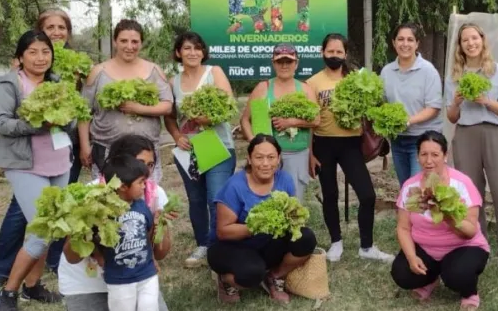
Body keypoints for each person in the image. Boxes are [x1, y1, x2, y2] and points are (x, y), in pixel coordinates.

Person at [58, 135, 173, 311]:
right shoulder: (89, 195)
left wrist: (162, 225)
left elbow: (161, 253)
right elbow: (72, 257)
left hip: (134, 277)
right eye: (140, 164)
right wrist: (85, 229)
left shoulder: (153, 193)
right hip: (88, 281)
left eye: (150, 165)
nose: (146, 172)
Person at [0, 9, 78, 285]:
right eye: (33, 52)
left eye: (45, 53)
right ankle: (8, 289)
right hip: (25, 164)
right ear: (20, 57)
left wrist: (64, 119)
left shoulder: (58, 82)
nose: (40, 58)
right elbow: (1, 124)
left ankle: (32, 286)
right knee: (45, 226)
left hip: (59, 162)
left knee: (50, 226)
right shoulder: (11, 84)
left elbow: (72, 119)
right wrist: (37, 125)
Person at [446, 23, 498, 280]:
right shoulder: (454, 76)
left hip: (494, 134)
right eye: (465, 40)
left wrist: (487, 102)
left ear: (482, 41)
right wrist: (457, 102)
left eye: (474, 38)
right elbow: (451, 117)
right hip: (466, 135)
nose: (470, 43)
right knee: (471, 197)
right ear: (460, 46)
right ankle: (477, 248)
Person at [307, 34, 393, 263]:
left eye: (338, 52)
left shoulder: (356, 79)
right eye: (330, 52)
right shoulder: (313, 83)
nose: (334, 56)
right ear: (322, 52)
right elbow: (309, 122)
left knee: (367, 195)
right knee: (330, 194)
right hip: (323, 143)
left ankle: (367, 246)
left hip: (351, 144)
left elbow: (373, 108)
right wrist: (310, 153)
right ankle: (336, 242)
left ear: (345, 54)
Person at [75, 155, 164, 311]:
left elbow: (148, 231)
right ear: (123, 187)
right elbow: (93, 238)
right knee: (122, 309)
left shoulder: (142, 206)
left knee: (148, 306)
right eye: (141, 183)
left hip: (146, 272)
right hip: (118, 276)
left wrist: (152, 256)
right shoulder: (104, 212)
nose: (145, 186)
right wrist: (98, 255)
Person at [209, 135, 318, 304]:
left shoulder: (285, 179)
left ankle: (274, 276)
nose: (266, 163)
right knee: (251, 275)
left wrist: (293, 219)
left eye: (271, 157)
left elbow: (292, 213)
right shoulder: (235, 186)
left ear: (278, 159)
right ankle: (225, 280)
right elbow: (223, 232)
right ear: (250, 159)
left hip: (267, 243)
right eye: (259, 157)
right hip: (232, 247)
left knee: (306, 238)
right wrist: (258, 226)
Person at [390, 131, 490, 311]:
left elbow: (470, 231)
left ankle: (470, 293)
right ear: (418, 157)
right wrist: (412, 257)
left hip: (464, 246)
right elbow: (403, 227)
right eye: (423, 154)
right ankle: (431, 278)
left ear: (445, 156)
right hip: (427, 248)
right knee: (402, 274)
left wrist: (448, 216)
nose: (429, 160)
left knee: (456, 275)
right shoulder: (411, 186)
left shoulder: (461, 183)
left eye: (435, 155)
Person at [164, 31, 237, 268]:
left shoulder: (213, 72)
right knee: (196, 200)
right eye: (187, 48)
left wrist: (203, 117)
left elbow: (228, 106)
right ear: (178, 53)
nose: (192, 53)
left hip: (217, 147)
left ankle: (219, 248)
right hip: (189, 151)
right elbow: (170, 116)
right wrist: (176, 136)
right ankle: (203, 246)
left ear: (203, 52)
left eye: (197, 48)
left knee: (216, 199)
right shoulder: (172, 82)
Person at [79, 19, 173, 181]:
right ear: (115, 42)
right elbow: (83, 112)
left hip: (146, 151)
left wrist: (137, 108)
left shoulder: (154, 70)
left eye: (135, 41)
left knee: (145, 201)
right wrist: (85, 146)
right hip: (106, 150)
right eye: (123, 41)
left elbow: (167, 106)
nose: (129, 46)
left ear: (141, 43)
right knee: (108, 200)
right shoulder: (98, 72)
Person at [240, 43, 319, 204]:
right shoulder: (263, 88)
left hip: (297, 154)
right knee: (266, 200)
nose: (284, 65)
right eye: (280, 61)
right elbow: (245, 120)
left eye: (289, 61)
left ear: (296, 63)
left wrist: (291, 122)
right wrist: (255, 145)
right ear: (273, 63)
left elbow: (316, 120)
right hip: (267, 159)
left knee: (293, 203)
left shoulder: (304, 89)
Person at [381, 23, 444, 186]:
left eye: (410, 40)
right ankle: (407, 213)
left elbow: (433, 108)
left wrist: (408, 121)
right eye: (400, 39)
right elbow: (382, 104)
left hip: (423, 140)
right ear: (393, 42)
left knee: (420, 187)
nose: (405, 44)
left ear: (417, 44)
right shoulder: (387, 72)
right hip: (398, 139)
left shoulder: (428, 71)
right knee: (406, 187)